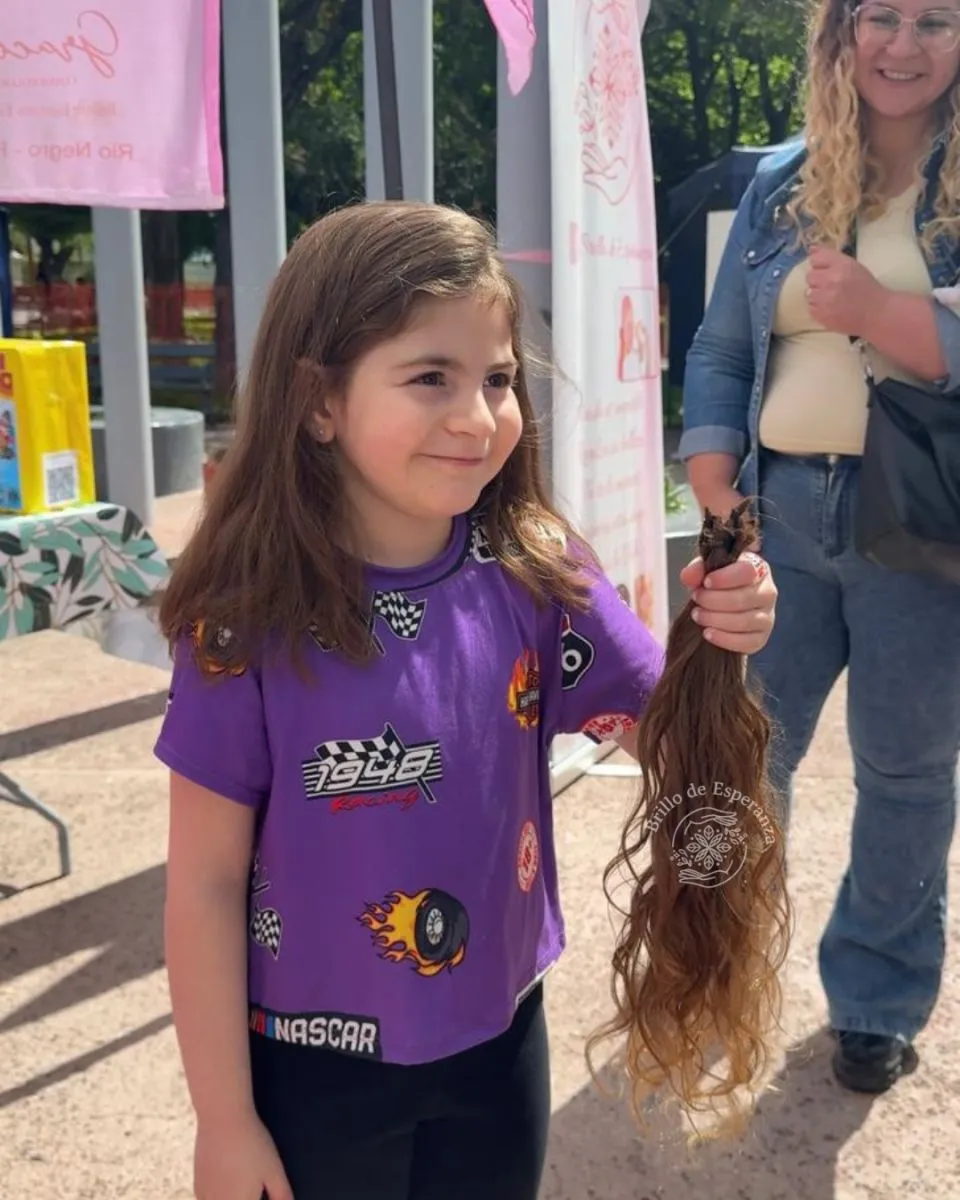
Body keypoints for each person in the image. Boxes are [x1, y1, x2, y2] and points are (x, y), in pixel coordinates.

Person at [155, 200, 778, 1200]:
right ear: (319, 402)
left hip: (498, 1040)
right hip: (308, 1069)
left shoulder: (538, 568)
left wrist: (726, 633)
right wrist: (225, 1124)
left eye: (496, 379)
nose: (478, 417)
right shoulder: (245, 619)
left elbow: (668, 734)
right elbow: (204, 887)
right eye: (429, 378)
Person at [679, 0, 960, 1095]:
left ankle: (876, 1002)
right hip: (779, 517)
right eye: (879, 16)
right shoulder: (782, 179)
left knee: (906, 773)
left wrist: (888, 313)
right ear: (838, 35)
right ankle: (722, 969)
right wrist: (713, 481)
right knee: (743, 755)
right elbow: (720, 346)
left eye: (935, 20)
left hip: (924, 531)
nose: (902, 44)